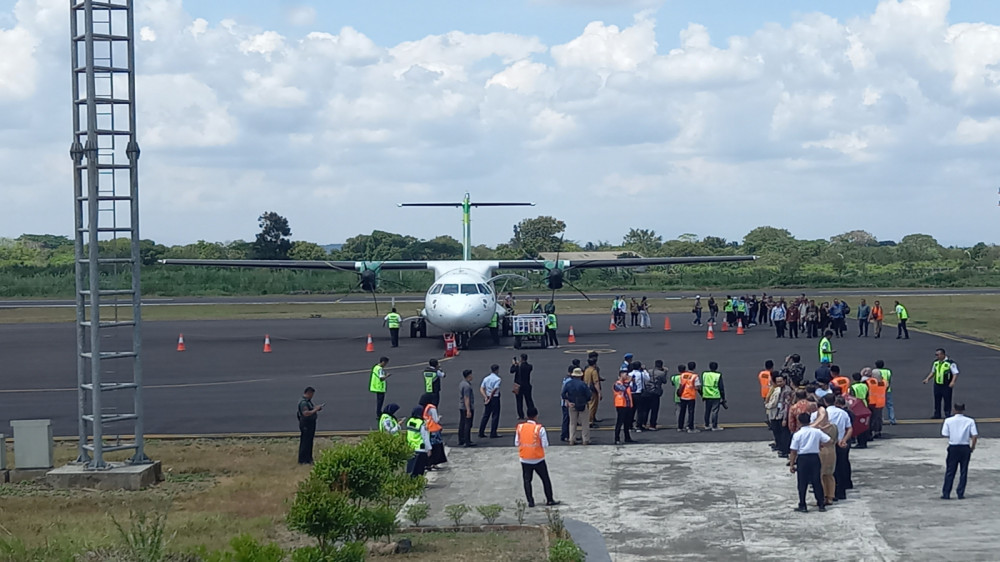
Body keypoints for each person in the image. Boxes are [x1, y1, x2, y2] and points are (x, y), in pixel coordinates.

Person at [515, 407, 559, 507]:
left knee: (527, 480)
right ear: (536, 416)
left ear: (527, 416)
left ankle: (530, 501)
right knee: (545, 479)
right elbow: (545, 444)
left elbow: (517, 442)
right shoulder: (539, 428)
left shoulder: (520, 427)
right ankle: (550, 500)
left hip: (525, 458)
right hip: (538, 458)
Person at [789, 412, 830, 513]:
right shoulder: (816, 432)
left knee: (802, 483)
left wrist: (791, 464)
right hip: (814, 457)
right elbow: (828, 440)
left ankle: (803, 504)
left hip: (803, 459)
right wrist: (819, 444)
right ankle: (821, 504)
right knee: (816, 481)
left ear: (799, 422)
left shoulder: (798, 434)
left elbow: (793, 451)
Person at [941, 403, 978, 500]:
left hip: (953, 447)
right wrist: (972, 447)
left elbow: (945, 434)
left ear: (954, 410)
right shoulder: (970, 421)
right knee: (963, 471)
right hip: (965, 447)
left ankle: (946, 493)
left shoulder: (948, 421)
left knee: (950, 471)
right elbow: (974, 435)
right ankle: (960, 493)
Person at [811, 404, 839, 506]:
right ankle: (830, 496)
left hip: (821, 452)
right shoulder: (834, 427)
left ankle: (822, 497)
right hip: (832, 452)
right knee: (830, 475)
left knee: (820, 475)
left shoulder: (817, 430)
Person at [923, 348, 959, 419]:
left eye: (938, 355)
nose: (937, 356)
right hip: (937, 384)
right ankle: (937, 414)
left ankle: (947, 413)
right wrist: (927, 379)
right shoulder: (936, 362)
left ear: (943, 354)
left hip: (946, 384)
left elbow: (955, 373)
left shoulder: (950, 363)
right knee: (937, 400)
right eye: (936, 355)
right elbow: (933, 372)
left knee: (947, 399)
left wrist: (952, 382)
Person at [562, 368, 593, 445]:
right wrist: (586, 401)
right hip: (582, 404)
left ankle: (572, 439)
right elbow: (589, 395)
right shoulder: (583, 384)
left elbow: (563, 394)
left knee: (572, 423)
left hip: (572, 404)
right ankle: (585, 439)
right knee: (585, 423)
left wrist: (568, 402)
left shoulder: (568, 383)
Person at [765, 375, 791, 457]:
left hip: (783, 415)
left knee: (784, 434)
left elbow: (786, 405)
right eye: (778, 382)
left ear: (785, 381)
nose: (779, 383)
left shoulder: (787, 391)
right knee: (780, 433)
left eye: (781, 381)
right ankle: (782, 448)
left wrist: (785, 418)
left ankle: (785, 451)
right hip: (779, 414)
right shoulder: (781, 389)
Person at [420, 393, 447, 470]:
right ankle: (434, 463)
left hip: (427, 428)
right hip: (434, 430)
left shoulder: (423, 407)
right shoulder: (432, 408)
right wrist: (439, 418)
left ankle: (428, 463)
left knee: (429, 446)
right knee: (437, 447)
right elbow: (435, 420)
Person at [297, 386, 323, 464]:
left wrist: (316, 407)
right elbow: (306, 413)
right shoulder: (303, 402)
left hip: (310, 424)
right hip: (306, 424)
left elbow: (310, 409)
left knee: (309, 441)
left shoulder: (308, 401)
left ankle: (308, 458)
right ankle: (303, 460)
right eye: (312, 394)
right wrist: (316, 410)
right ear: (309, 393)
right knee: (305, 442)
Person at [405, 406, 431, 477]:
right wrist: (428, 449)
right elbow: (425, 437)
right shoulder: (422, 424)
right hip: (420, 449)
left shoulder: (409, 421)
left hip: (411, 447)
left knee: (411, 468)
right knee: (419, 469)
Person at [700, 362, 726, 431]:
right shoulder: (718, 375)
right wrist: (723, 398)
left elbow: (703, 384)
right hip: (715, 395)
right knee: (714, 411)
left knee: (707, 411)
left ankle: (707, 425)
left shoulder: (705, 374)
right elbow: (721, 388)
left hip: (706, 395)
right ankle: (714, 426)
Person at [478, 364, 502, 439]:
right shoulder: (498, 379)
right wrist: (490, 398)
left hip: (487, 396)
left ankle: (481, 432)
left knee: (486, 415)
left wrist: (485, 397)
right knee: (495, 415)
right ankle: (493, 432)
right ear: (497, 370)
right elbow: (494, 389)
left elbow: (481, 388)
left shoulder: (486, 378)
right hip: (494, 398)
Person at [677, 362, 701, 433]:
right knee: (691, 412)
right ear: (694, 367)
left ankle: (680, 427)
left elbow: (681, 384)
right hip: (690, 396)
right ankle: (690, 427)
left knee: (682, 412)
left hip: (683, 395)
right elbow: (697, 387)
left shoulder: (683, 375)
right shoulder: (695, 376)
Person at [849, 373, 871, 448]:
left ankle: (859, 441)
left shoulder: (853, 387)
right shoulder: (865, 385)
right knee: (864, 423)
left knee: (857, 424)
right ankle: (865, 439)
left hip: (857, 406)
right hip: (865, 404)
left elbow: (852, 397)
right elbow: (868, 395)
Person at [512, 353, 535, 421]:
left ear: (521, 359)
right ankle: (531, 414)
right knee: (529, 400)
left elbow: (512, 371)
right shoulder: (529, 366)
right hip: (527, 385)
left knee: (519, 401)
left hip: (519, 386)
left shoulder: (518, 367)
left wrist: (514, 364)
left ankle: (521, 415)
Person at [630, 361, 651, 431]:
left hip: (631, 393)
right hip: (639, 393)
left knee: (632, 410)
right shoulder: (641, 374)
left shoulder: (629, 374)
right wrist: (645, 370)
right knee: (640, 410)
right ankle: (639, 425)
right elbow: (648, 379)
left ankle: (630, 425)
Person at [369, 356, 391, 422]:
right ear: (383, 362)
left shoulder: (375, 367)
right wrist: (387, 375)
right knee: (380, 402)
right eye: (386, 363)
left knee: (379, 401)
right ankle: (379, 414)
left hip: (376, 387)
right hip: (380, 387)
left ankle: (379, 413)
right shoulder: (380, 369)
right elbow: (381, 378)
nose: (385, 365)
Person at [458, 370, 476, 447]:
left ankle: (461, 439)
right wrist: (468, 410)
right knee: (468, 424)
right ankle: (467, 441)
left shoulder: (462, 383)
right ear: (468, 376)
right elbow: (466, 398)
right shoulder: (467, 386)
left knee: (462, 423)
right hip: (466, 407)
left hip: (461, 406)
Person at [648, 359, 668, 430]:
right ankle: (652, 424)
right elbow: (664, 381)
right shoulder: (661, 373)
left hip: (648, 391)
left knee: (646, 409)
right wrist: (665, 372)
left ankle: (642, 423)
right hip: (656, 392)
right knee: (654, 409)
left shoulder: (649, 371)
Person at [875, 359, 896, 425]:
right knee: (889, 405)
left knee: (879, 406)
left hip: (878, 391)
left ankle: (880, 419)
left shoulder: (875, 372)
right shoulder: (888, 371)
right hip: (887, 390)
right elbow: (889, 381)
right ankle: (892, 420)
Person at [584, 356, 602, 427]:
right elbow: (596, 382)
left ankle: (590, 419)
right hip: (592, 390)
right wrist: (599, 392)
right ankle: (590, 421)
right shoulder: (594, 371)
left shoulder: (587, 370)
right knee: (593, 406)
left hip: (587, 389)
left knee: (588, 405)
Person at [560, 367, 573, 442]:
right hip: (566, 403)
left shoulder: (566, 379)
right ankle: (565, 435)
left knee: (568, 419)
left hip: (565, 402)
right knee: (567, 419)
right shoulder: (569, 381)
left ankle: (568, 435)